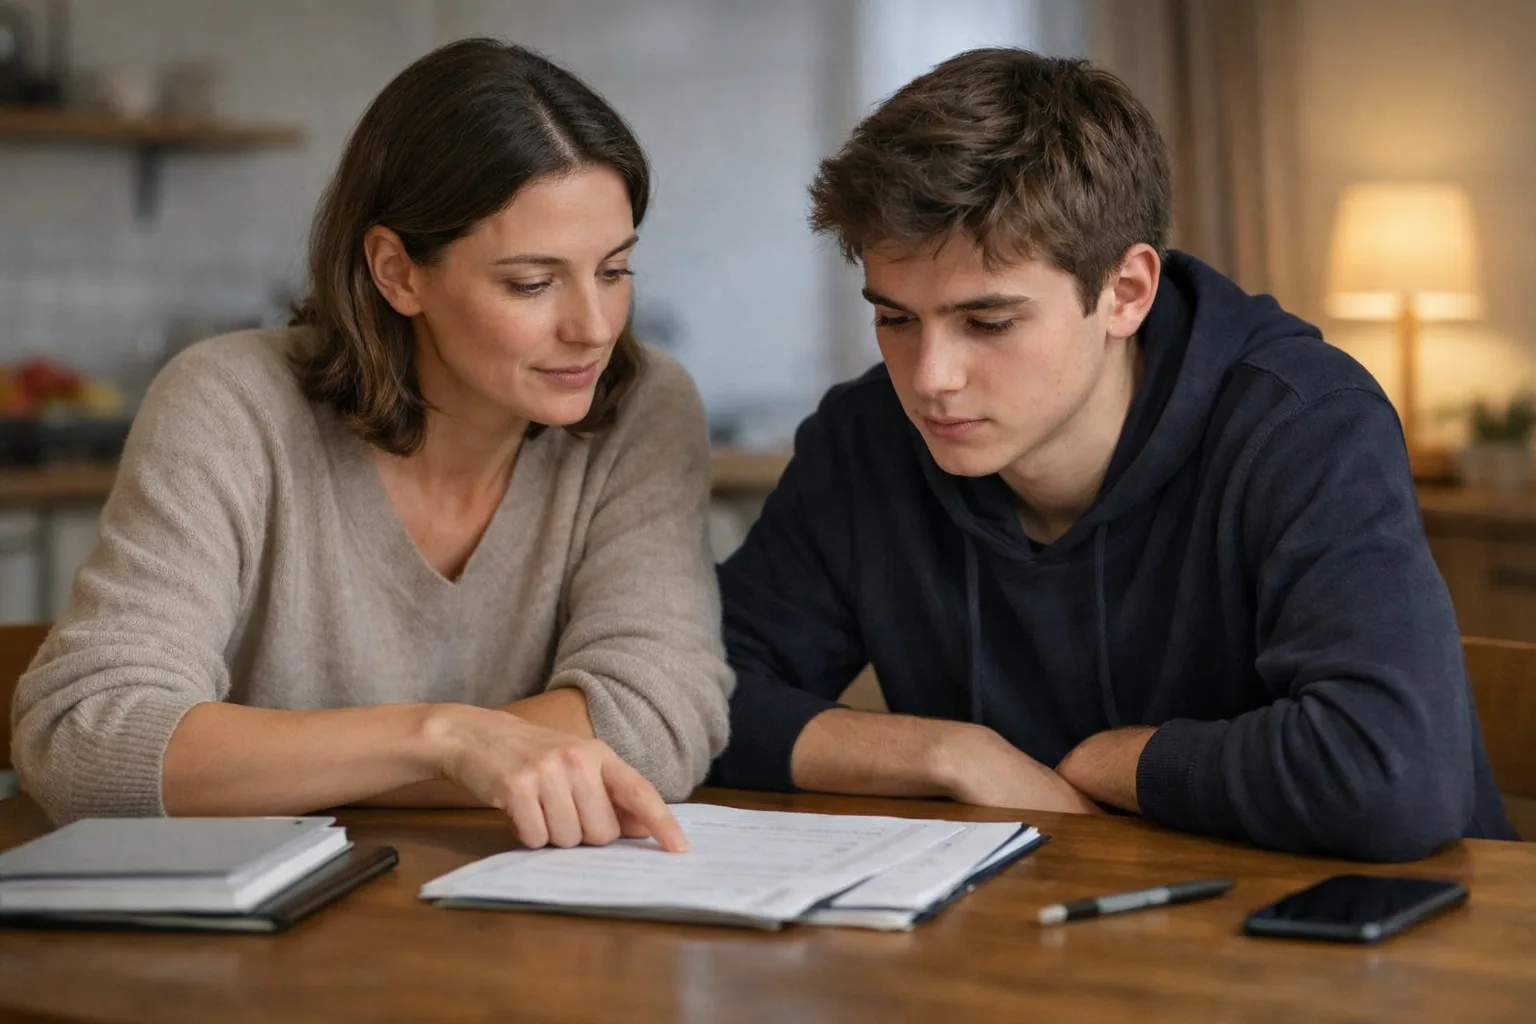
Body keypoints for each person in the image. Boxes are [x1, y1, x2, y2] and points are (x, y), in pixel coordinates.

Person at [710, 48, 1516, 861]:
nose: (930, 378)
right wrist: (948, 754)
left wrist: (1120, 761)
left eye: (988, 323)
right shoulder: (865, 440)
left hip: (1377, 922)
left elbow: (1392, 775)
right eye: (896, 319)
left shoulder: (1303, 425)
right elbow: (694, 696)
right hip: (1041, 915)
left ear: (1126, 292)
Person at [11, 39, 733, 852]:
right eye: (531, 283)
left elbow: (655, 725)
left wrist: (291, 764)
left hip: (517, 911)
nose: (594, 329)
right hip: (263, 919)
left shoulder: (644, 408)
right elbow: (87, 742)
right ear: (397, 271)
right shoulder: (230, 402)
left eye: (614, 271)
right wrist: (446, 740)